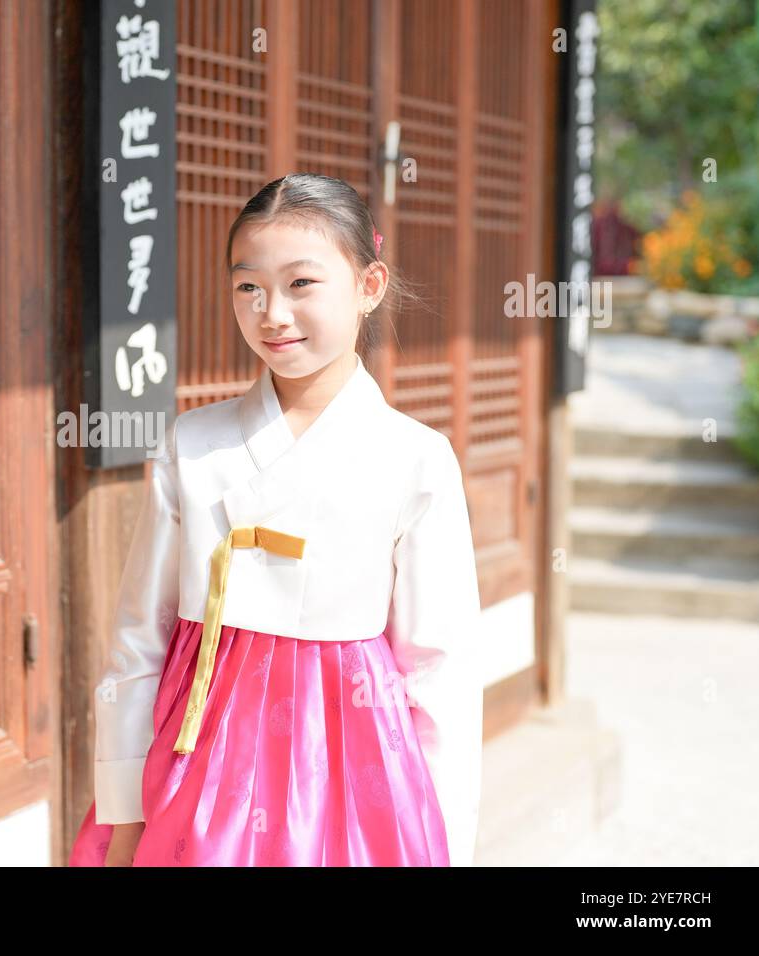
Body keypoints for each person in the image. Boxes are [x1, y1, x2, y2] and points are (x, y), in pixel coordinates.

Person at [67, 173, 484, 867]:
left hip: (352, 766)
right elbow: (140, 639)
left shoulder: (416, 458)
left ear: (370, 285)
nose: (272, 314)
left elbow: (439, 669)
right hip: (201, 755)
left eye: (300, 285)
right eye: (248, 287)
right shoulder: (193, 444)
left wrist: (443, 835)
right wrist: (125, 813)